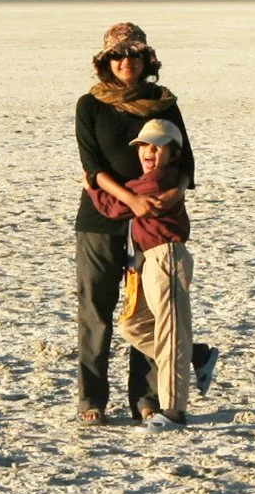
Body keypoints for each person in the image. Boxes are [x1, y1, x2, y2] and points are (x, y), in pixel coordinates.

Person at [75, 22, 199, 425]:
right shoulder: (90, 105)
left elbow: (186, 161)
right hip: (101, 220)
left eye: (133, 54)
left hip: (153, 225)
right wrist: (132, 200)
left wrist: (174, 194)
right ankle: (92, 400)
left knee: (148, 310)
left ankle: (146, 399)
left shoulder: (163, 104)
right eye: (117, 55)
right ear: (105, 61)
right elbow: (92, 166)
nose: (125, 61)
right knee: (96, 309)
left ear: (147, 60)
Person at [86, 120, 217, 428]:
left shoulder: (159, 180)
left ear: (173, 154)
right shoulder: (152, 178)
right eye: (144, 145)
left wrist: (92, 185)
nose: (149, 152)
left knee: (170, 331)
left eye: (158, 147)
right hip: (147, 259)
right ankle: (195, 356)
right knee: (132, 325)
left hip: (166, 256)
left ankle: (173, 411)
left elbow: (115, 206)